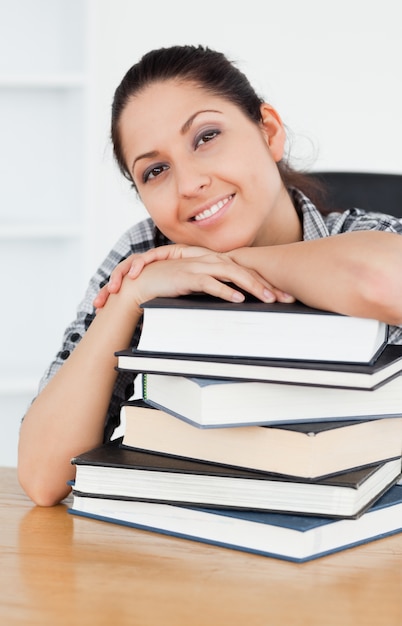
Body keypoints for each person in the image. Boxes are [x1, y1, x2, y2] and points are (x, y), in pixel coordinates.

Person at [18, 45, 402, 506]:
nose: (189, 183)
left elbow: (385, 283)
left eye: (205, 137)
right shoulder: (145, 257)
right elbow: (43, 478)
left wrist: (240, 261)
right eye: (155, 170)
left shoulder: (362, 235)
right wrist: (127, 299)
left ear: (269, 132)